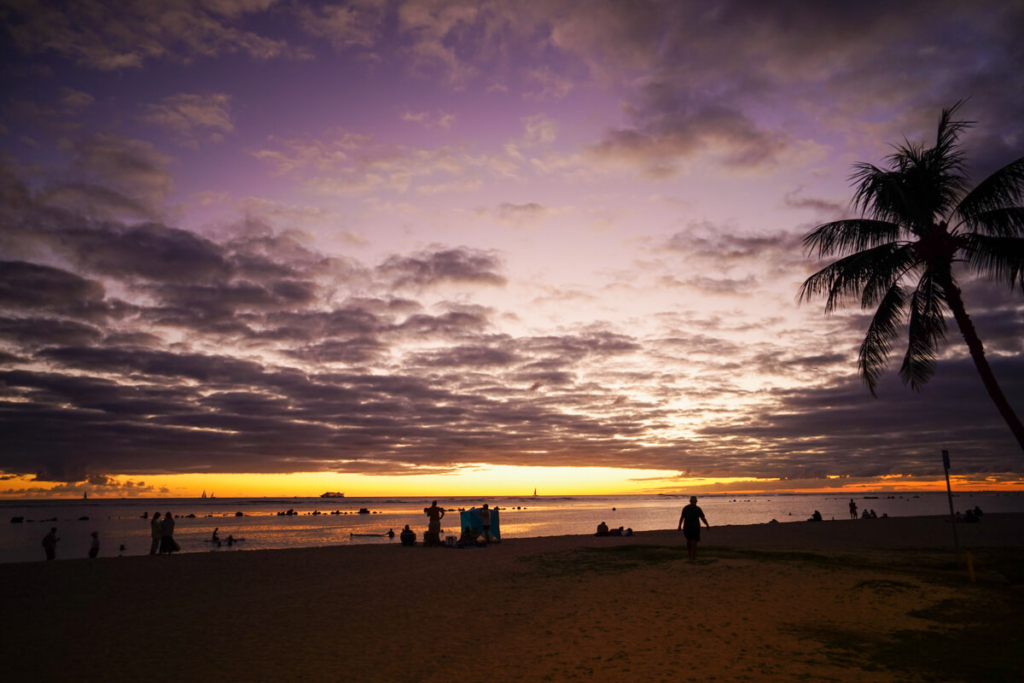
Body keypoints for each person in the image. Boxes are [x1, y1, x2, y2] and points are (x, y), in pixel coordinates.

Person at [677, 496, 709, 562]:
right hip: (694, 527)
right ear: (695, 502)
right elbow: (702, 518)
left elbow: (682, 518)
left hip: (688, 527)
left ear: (690, 501)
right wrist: (707, 525)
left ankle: (690, 556)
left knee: (690, 541)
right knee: (693, 542)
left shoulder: (686, 508)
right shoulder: (697, 509)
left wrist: (680, 526)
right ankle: (693, 557)